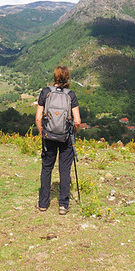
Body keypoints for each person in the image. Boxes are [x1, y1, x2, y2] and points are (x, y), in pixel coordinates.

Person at [35, 66, 81, 214]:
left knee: (47, 168)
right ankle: (63, 205)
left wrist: (43, 132)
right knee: (64, 170)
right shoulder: (71, 95)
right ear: (67, 78)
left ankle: (43, 203)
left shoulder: (45, 92)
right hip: (66, 137)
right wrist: (71, 132)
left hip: (48, 136)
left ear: (54, 77)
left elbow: (38, 117)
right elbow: (78, 121)